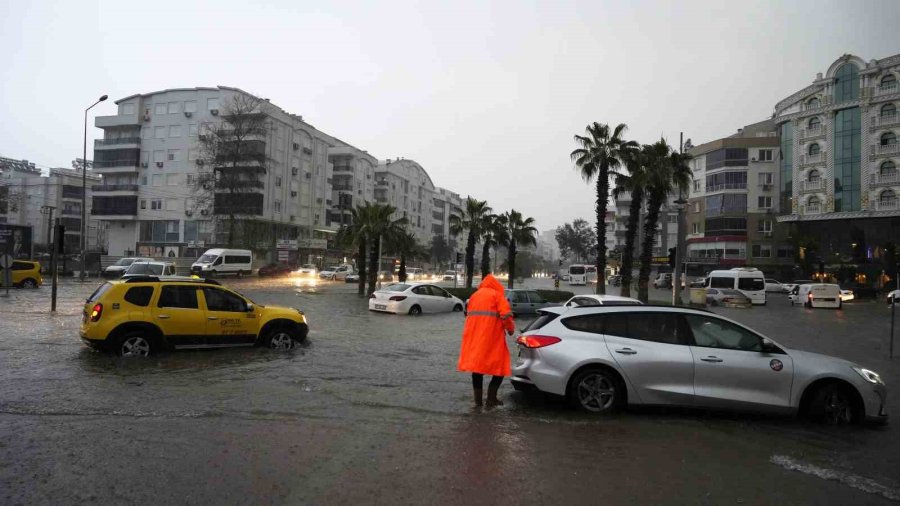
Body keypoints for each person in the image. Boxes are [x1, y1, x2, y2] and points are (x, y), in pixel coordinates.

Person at [457, 273, 516, 407]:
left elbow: (468, 315)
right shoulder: (497, 295)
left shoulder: (474, 296)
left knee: (477, 369)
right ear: (496, 285)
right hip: (492, 339)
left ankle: (478, 403)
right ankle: (491, 398)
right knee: (500, 369)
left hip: (474, 339)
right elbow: (506, 315)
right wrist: (510, 329)